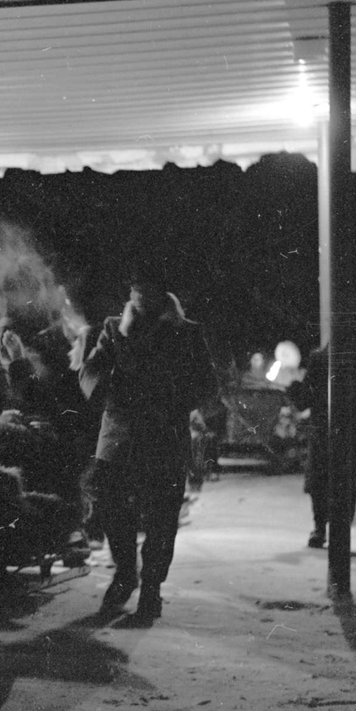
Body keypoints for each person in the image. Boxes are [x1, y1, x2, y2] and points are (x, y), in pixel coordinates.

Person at [79, 263, 217, 620]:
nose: (138, 296)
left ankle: (151, 587)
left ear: (161, 294)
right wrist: (110, 384)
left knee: (161, 518)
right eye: (134, 289)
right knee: (112, 508)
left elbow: (206, 384)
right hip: (119, 437)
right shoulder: (113, 329)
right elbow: (89, 372)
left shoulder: (187, 332)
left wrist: (171, 398)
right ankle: (125, 573)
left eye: (145, 289)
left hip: (164, 435)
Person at [288, 335, 356, 548]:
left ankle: (320, 529)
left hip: (324, 431)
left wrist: (293, 389)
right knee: (349, 483)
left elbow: (305, 400)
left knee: (320, 483)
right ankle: (341, 532)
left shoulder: (319, 358)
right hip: (351, 432)